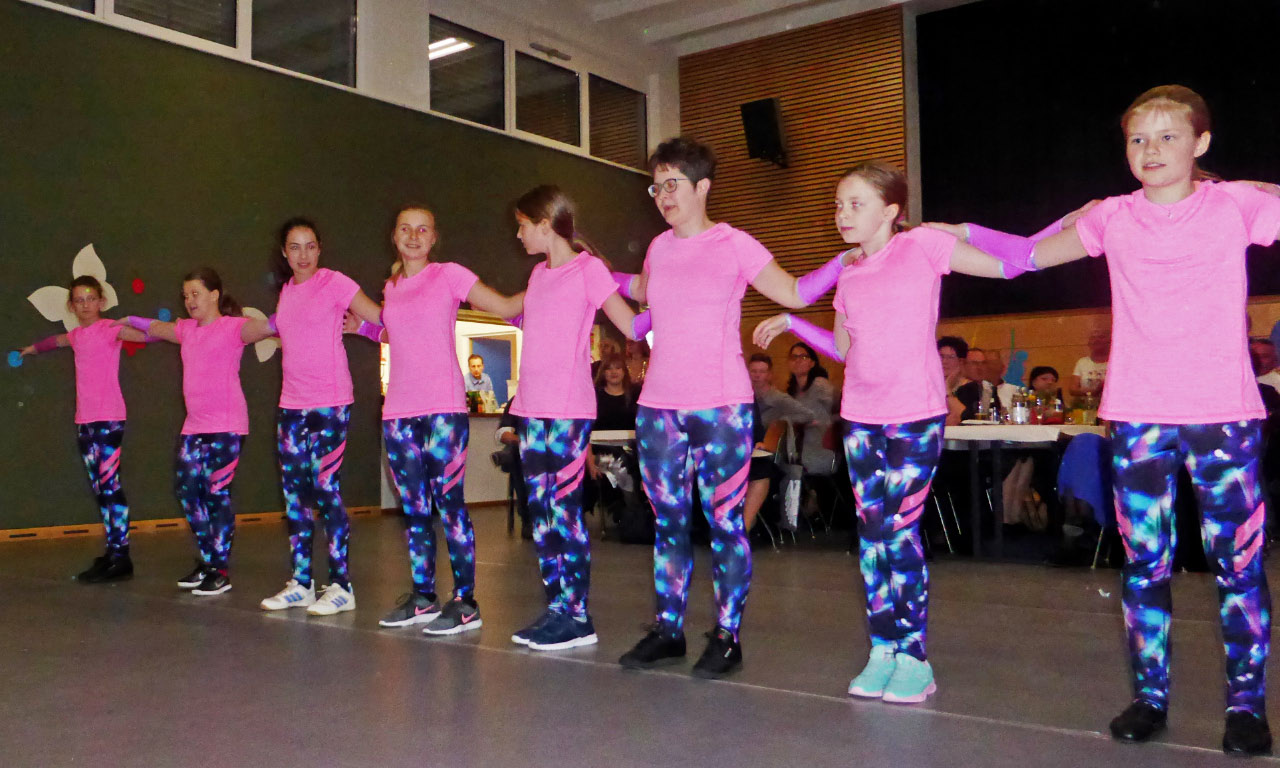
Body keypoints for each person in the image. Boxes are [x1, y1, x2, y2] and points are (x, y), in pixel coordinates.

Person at [952, 85, 1279, 755]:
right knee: (1143, 564)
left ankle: (1247, 706)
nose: (1150, 150)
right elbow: (1024, 255)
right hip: (1137, 417)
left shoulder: (1236, 206)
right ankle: (1150, 696)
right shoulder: (1112, 217)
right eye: (1137, 139)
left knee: (1239, 567)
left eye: (1167, 136)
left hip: (1224, 415)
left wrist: (1256, 185)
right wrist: (953, 236)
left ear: (1201, 143)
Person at [754, 159, 1017, 704]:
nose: (842, 214)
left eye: (856, 204)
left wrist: (964, 231)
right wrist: (795, 323)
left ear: (891, 210)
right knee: (872, 534)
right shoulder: (849, 273)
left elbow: (1011, 266)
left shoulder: (922, 247)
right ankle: (883, 648)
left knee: (899, 530)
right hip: (861, 416)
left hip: (914, 414)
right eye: (838, 204)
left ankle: (914, 655)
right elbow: (844, 349)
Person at [610, 137, 855, 678]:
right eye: (656, 187)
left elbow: (794, 292)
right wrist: (596, 275)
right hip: (658, 409)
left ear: (702, 187)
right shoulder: (658, 247)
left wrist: (843, 260)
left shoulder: (734, 244)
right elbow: (643, 292)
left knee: (725, 522)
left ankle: (726, 636)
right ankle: (668, 630)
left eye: (672, 184)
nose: (662, 196)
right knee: (668, 523)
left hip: (720, 407)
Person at [353, 205, 522, 635]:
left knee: (449, 506)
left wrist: (548, 282)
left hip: (443, 410)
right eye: (405, 229)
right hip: (398, 413)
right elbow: (397, 333)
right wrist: (364, 329)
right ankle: (423, 597)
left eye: (422, 229)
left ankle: (466, 602)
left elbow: (504, 305)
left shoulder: (449, 275)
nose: (413, 236)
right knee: (414, 509)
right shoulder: (391, 288)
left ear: (433, 238)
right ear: (395, 236)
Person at [504, 185, 643, 652]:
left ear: (545, 225)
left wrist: (671, 312)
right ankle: (557, 609)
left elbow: (631, 324)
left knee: (564, 514)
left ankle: (579, 616)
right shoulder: (538, 275)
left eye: (522, 225)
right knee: (540, 514)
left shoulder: (589, 269)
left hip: (567, 411)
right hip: (531, 408)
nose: (518, 234)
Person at [122, 269, 275, 596]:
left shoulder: (233, 327)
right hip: (194, 426)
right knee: (188, 491)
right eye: (185, 295)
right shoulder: (186, 330)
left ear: (214, 295)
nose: (189, 300)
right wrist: (127, 320)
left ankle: (220, 570)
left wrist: (295, 314)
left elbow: (266, 327)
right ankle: (208, 560)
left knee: (216, 494)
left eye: (195, 294)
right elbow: (156, 327)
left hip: (227, 425)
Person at [258, 218, 384, 616]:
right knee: (295, 496)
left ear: (320, 248)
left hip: (330, 403)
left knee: (326, 490)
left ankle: (342, 586)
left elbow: (382, 317)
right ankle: (301, 583)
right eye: (295, 247)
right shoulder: (285, 292)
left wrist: (363, 328)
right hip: (291, 405)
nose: (303, 255)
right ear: (284, 252)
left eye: (310, 246)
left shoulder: (335, 282)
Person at [15, 276, 149, 582]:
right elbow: (56, 341)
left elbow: (146, 337)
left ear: (101, 302)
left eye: (90, 299)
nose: (85, 305)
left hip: (109, 419)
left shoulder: (111, 329)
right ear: (72, 306)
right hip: (84, 421)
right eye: (79, 300)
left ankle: (121, 556)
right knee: (100, 489)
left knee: (110, 486)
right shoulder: (76, 336)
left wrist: (156, 327)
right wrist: (32, 349)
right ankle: (113, 551)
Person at [786, 342, 837, 475]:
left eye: (803, 357)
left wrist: (820, 423)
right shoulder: (792, 392)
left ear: (812, 363)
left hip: (820, 449)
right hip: (798, 451)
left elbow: (839, 411)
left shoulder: (820, 385)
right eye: (794, 357)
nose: (797, 361)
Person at [1069, 326, 1110, 399]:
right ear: (1089, 343)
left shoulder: (1115, 363)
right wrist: (1091, 392)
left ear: (1109, 341)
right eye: (1093, 338)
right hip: (1086, 404)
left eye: (1101, 337)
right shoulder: (1082, 362)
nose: (1097, 340)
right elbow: (1072, 389)